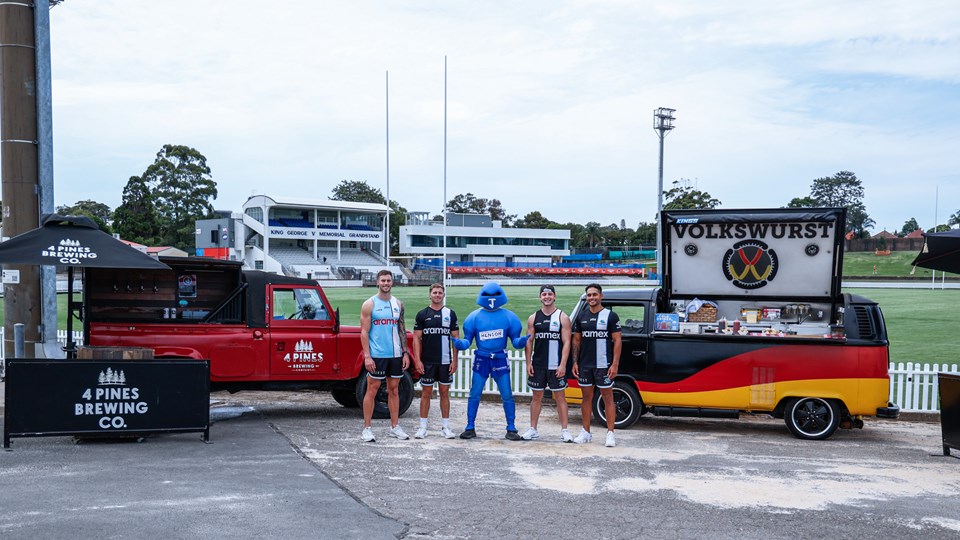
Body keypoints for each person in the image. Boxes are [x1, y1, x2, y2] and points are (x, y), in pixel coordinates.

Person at [453, 282, 529, 440]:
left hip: (500, 359)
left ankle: (511, 428)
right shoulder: (473, 318)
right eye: (488, 295)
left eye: (494, 295)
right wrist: (461, 344)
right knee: (475, 393)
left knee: (507, 394)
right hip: (482, 358)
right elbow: (468, 340)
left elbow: (515, 341)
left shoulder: (510, 317)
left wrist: (520, 342)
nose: (491, 298)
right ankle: (470, 426)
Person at [359, 269, 411, 442]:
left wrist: (405, 352)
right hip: (377, 354)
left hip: (395, 354)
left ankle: (394, 427)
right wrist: (367, 356)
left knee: (394, 390)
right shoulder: (369, 304)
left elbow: (401, 329)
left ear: (392, 283)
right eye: (383, 280)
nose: (386, 283)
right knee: (372, 390)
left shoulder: (399, 304)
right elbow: (364, 332)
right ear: (377, 282)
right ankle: (367, 428)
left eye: (389, 280)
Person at [571, 283, 622, 447]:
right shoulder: (581, 316)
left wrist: (614, 364)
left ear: (601, 296)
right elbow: (577, 341)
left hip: (604, 365)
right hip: (585, 365)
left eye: (594, 294)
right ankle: (586, 432)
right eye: (589, 295)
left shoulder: (610, 316)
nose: (591, 298)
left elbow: (617, 341)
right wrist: (574, 362)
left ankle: (610, 434)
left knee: (608, 397)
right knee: (586, 398)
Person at [522, 285, 574, 442]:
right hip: (538, 365)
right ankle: (533, 429)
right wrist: (528, 362)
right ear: (540, 297)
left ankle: (565, 430)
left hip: (556, 366)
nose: (547, 297)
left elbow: (567, 343)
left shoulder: (562, 317)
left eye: (550, 294)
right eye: (544, 294)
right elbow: (529, 342)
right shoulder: (533, 318)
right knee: (536, 397)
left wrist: (563, 364)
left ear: (555, 296)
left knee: (560, 398)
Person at [412, 283, 459, 439]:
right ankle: (422, 427)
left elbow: (455, 339)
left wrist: (455, 360)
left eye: (440, 293)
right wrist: (417, 360)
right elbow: (417, 339)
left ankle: (445, 427)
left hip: (445, 362)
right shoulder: (422, 314)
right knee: (426, 394)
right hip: (428, 362)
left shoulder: (450, 314)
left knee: (444, 394)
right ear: (429, 295)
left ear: (443, 295)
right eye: (435, 292)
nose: (437, 295)